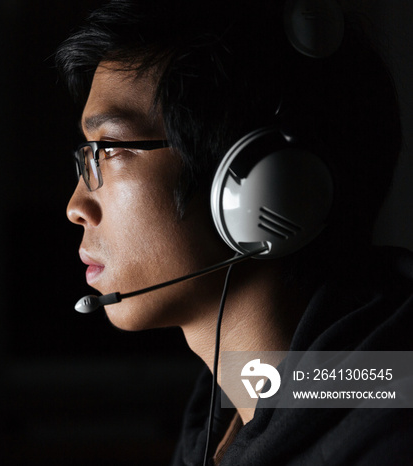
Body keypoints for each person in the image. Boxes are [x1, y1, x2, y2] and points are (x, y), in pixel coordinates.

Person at [56, 0, 413, 464]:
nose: (75, 207)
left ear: (261, 189)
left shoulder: (386, 437)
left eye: (110, 149)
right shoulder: (231, 412)